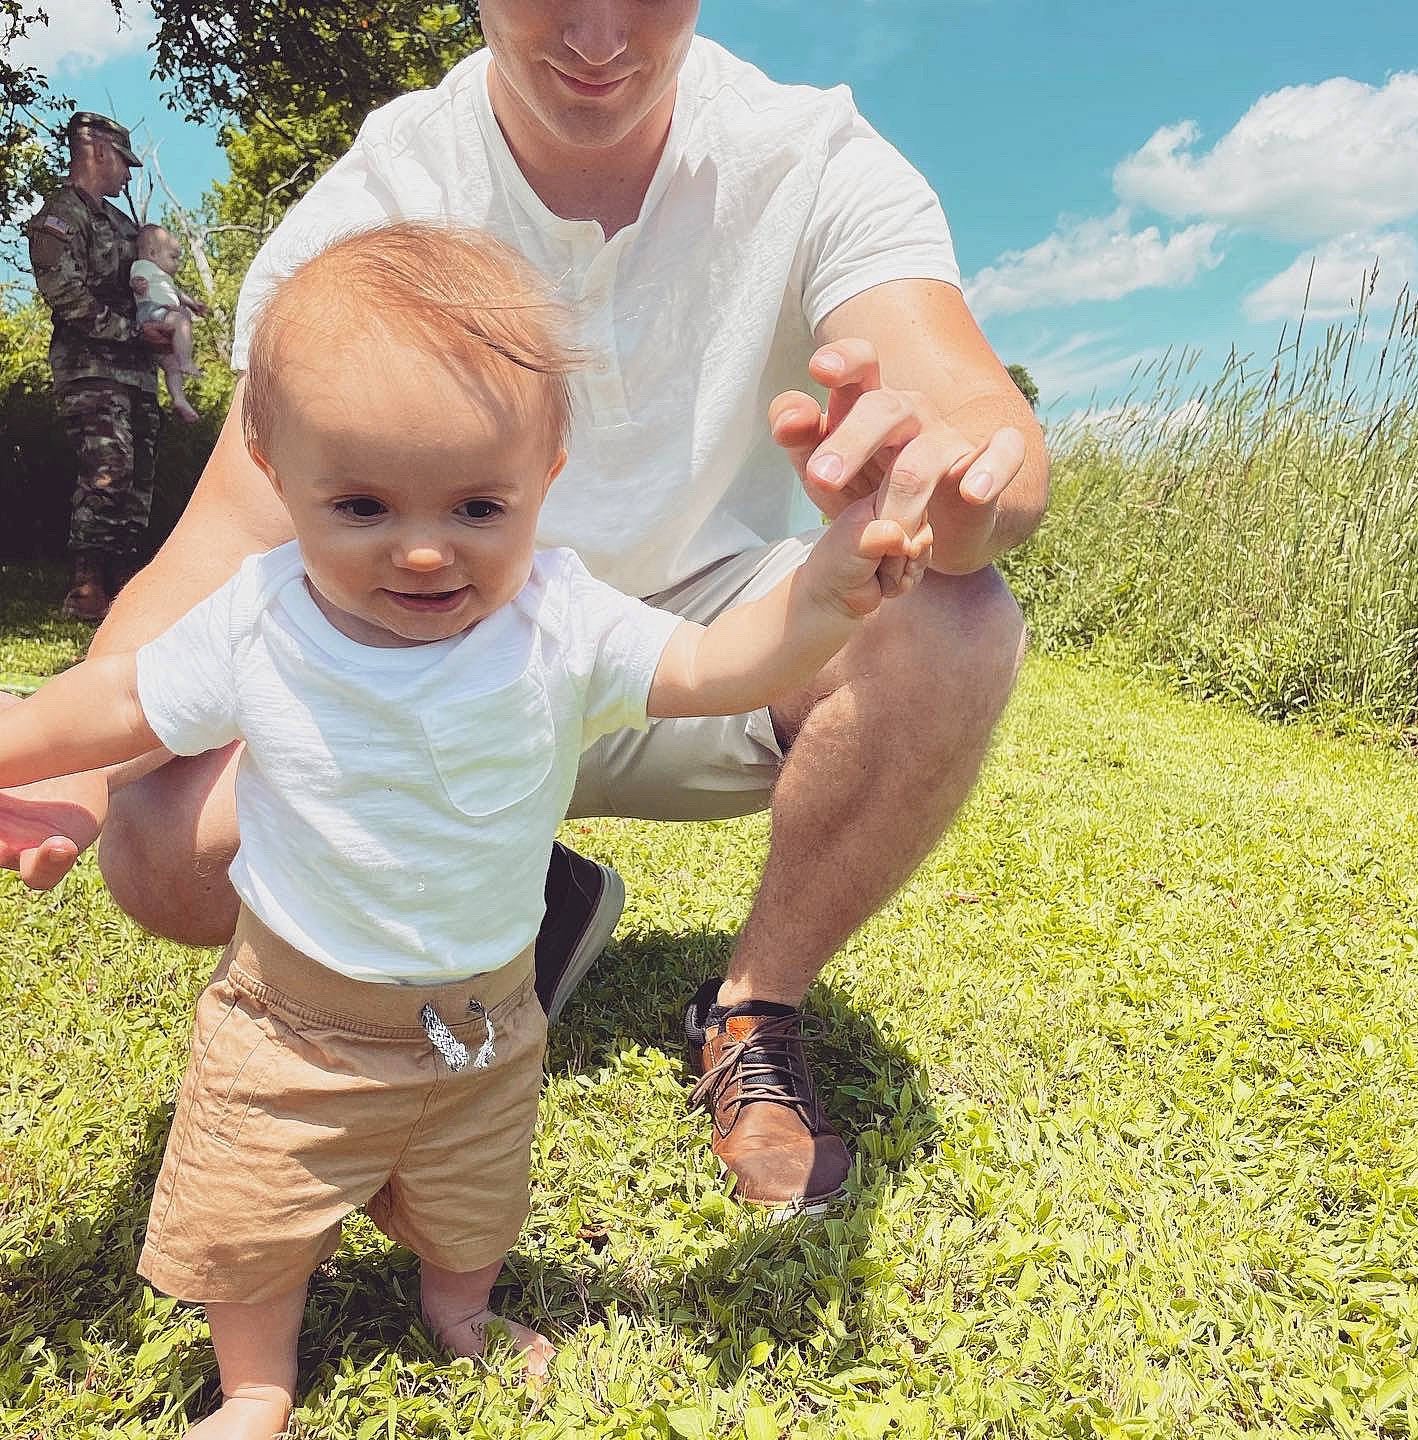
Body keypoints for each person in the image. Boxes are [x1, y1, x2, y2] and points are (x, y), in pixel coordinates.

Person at [0, 2, 1049, 1217]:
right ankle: (527, 898)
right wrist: (72, 762)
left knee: (955, 616)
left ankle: (753, 1007)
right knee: (160, 849)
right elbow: (226, 540)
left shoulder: (809, 154)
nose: (599, 32)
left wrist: (955, 489)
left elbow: (976, 412)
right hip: (432, 664)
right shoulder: (378, 196)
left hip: (698, 642)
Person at [0, 222, 928, 1440]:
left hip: (484, 1018)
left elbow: (710, 666)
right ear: (275, 472)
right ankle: (259, 1385)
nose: (427, 548)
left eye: (478, 505)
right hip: (294, 1019)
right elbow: (121, 699)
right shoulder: (262, 619)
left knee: (474, 1202)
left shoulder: (561, 615)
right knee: (258, 1210)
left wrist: (814, 601)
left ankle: (461, 1310)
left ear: (550, 466)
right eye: (364, 504)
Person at [23, 112, 164, 619]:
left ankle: (124, 584)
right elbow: (65, 294)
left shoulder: (122, 225)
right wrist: (132, 332)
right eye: (125, 162)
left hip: (139, 375)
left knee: (139, 478)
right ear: (100, 151)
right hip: (91, 371)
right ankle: (86, 583)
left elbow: (149, 282)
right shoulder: (61, 217)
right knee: (108, 470)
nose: (128, 174)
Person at [131, 223, 208, 424]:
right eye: (173, 257)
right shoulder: (144, 266)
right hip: (152, 310)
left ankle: (179, 399)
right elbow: (135, 278)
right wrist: (137, 285)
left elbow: (178, 295)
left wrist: (193, 304)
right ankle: (186, 360)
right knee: (181, 321)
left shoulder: (165, 279)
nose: (177, 264)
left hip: (162, 314)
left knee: (170, 365)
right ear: (153, 253)